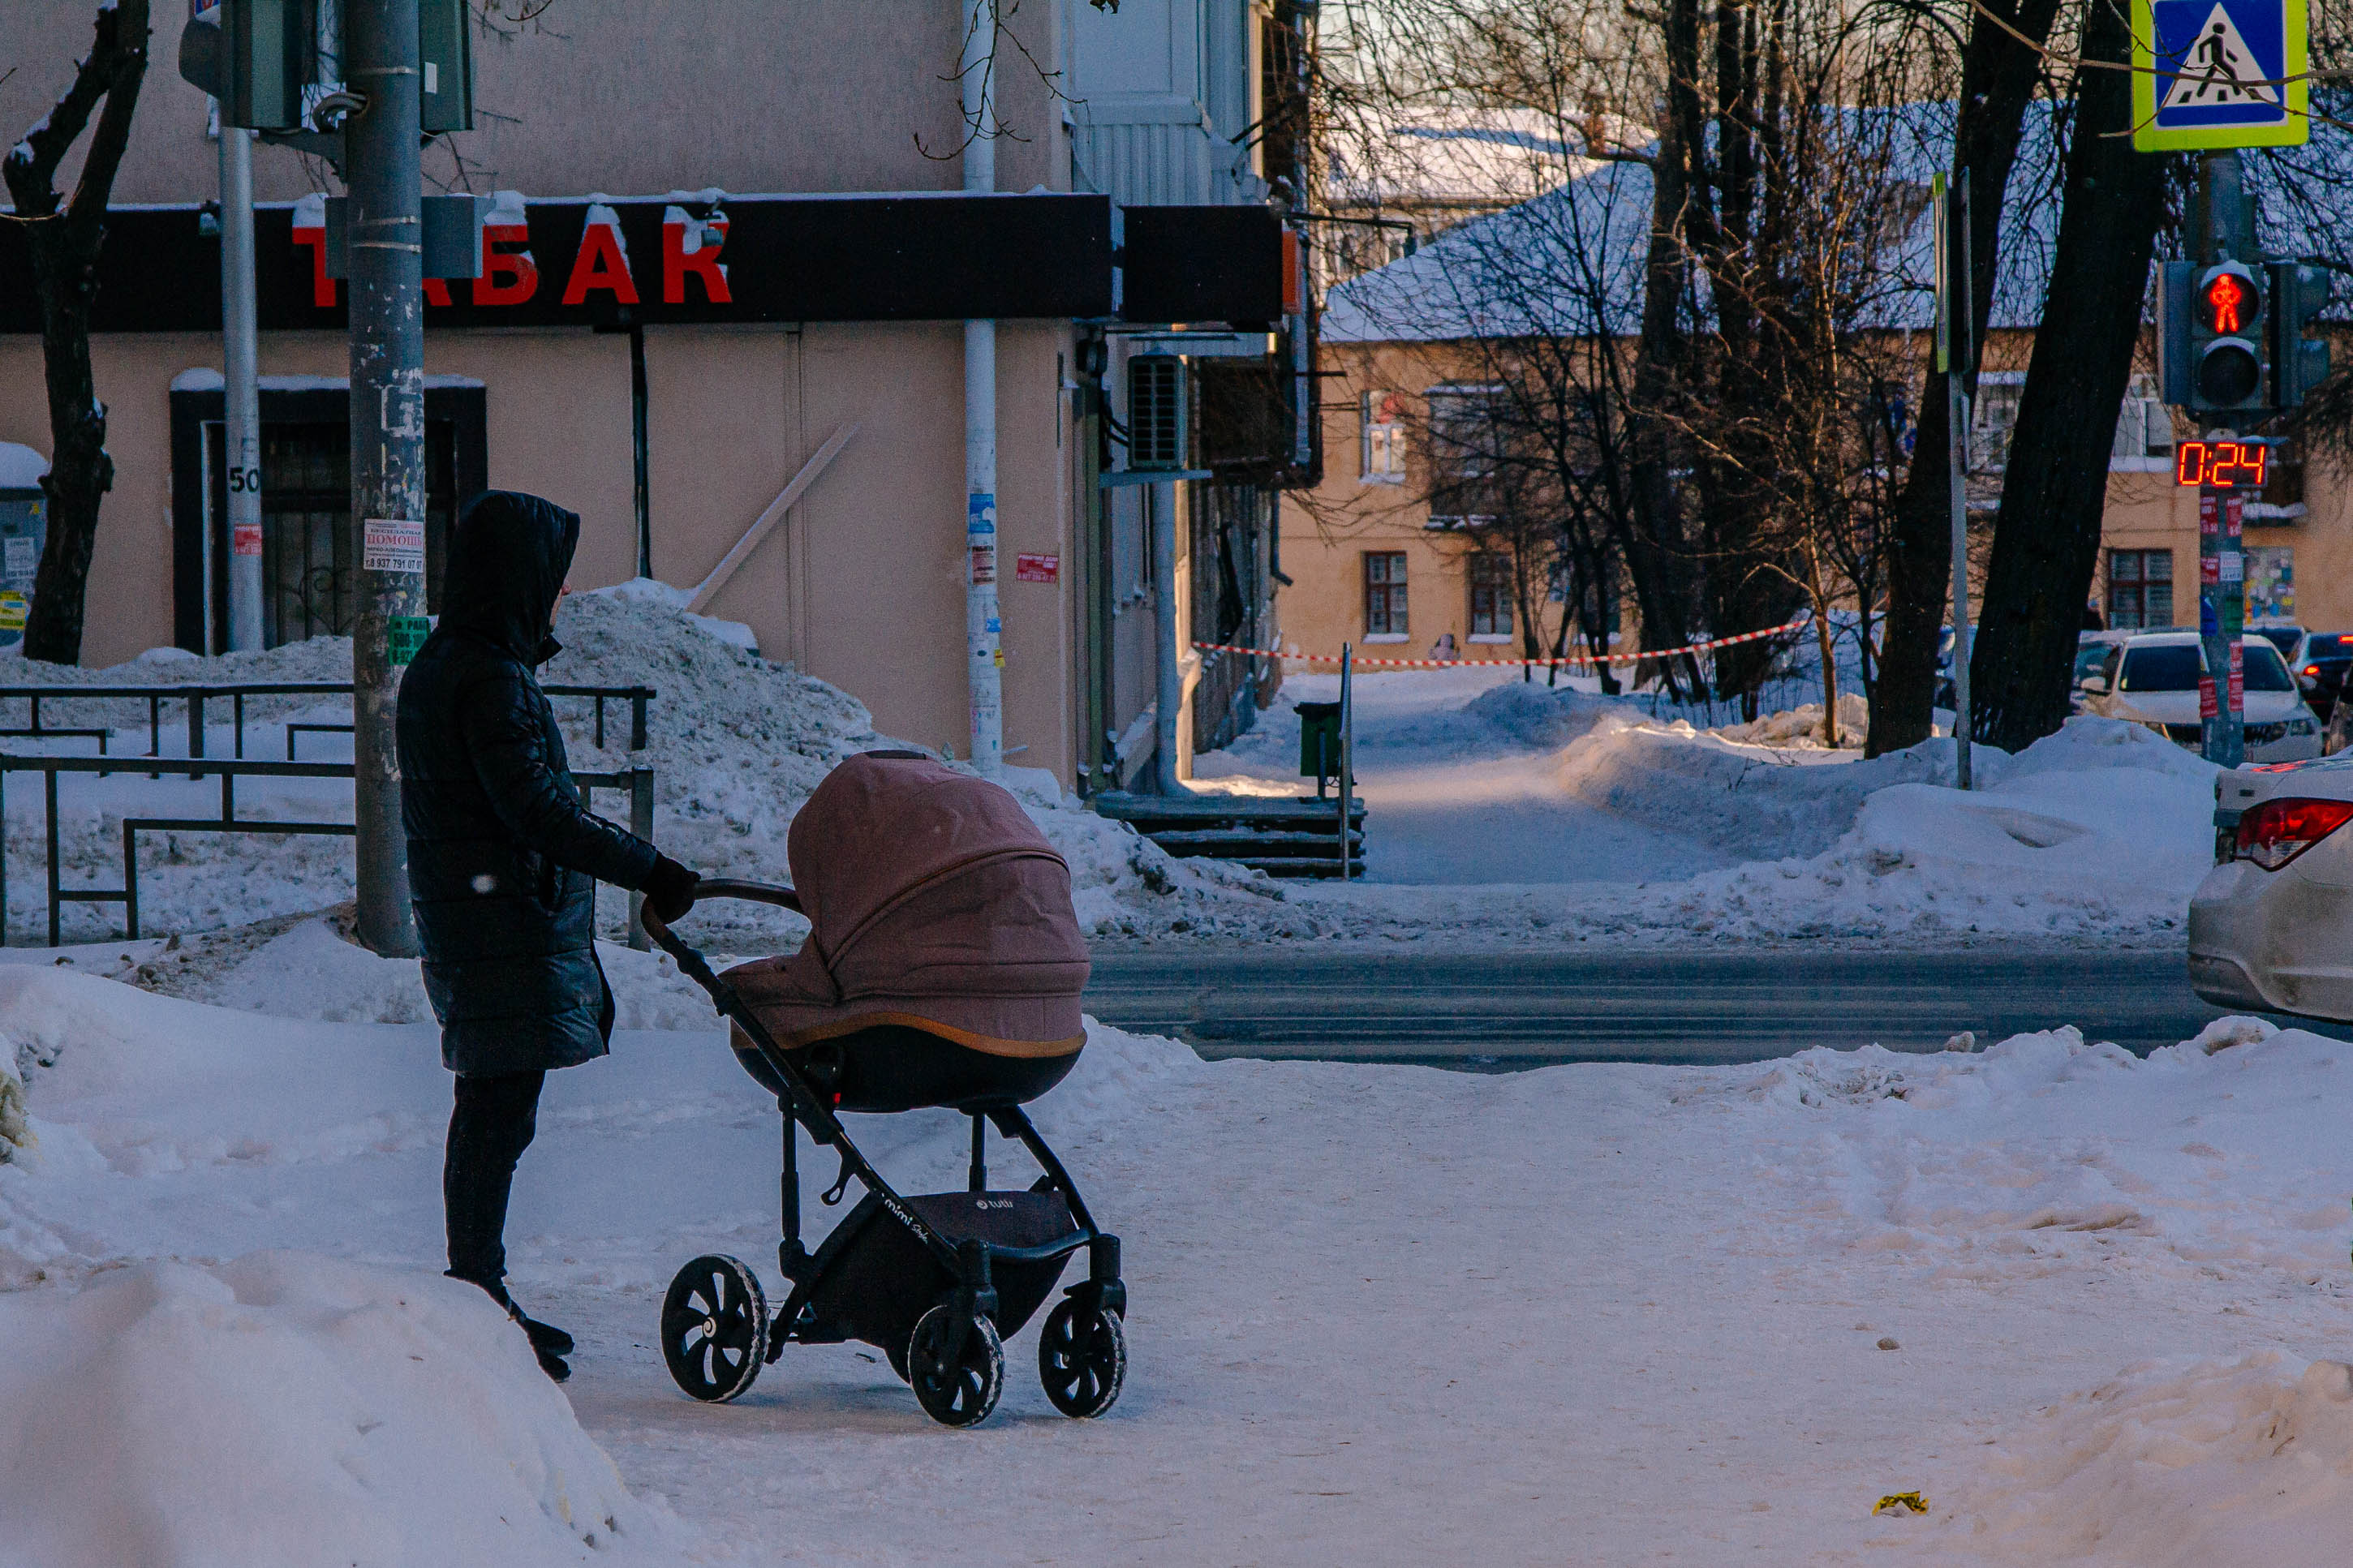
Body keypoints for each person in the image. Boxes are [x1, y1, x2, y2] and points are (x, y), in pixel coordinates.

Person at [398, 491, 701, 1381]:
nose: (561, 593)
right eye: (552, 578)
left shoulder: (450, 664)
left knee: (493, 1110)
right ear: (516, 579)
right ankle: (475, 1297)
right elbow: (536, 810)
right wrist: (653, 868)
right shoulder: (488, 677)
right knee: (495, 1112)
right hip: (500, 923)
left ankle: (478, 1292)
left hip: (481, 917)